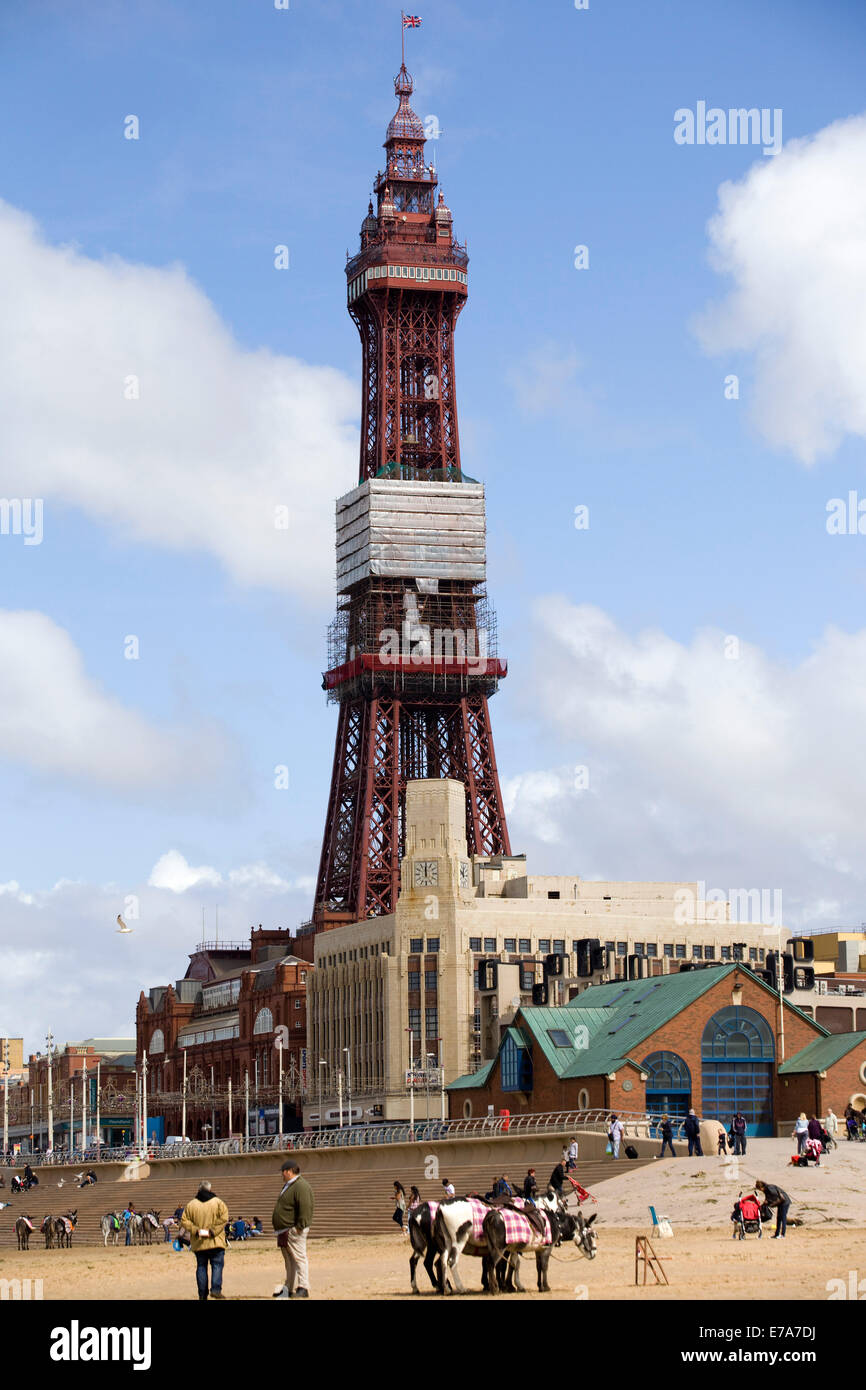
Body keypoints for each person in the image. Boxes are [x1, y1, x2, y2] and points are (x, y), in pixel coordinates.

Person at [181, 1180, 229, 1301]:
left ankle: (202, 1294)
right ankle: (216, 1289)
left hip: (199, 1242)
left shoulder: (191, 1204)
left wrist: (196, 1230)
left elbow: (184, 1221)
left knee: (201, 1266)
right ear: (210, 1189)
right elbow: (224, 1218)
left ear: (198, 1190)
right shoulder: (218, 1202)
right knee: (217, 1265)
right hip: (215, 1241)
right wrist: (212, 1231)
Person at [272, 1160, 314, 1300]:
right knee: (289, 1261)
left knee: (299, 1258)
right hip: (285, 1230)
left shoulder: (300, 1186)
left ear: (288, 1171)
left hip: (293, 1230)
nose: (282, 1175)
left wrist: (299, 1227)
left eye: (283, 1172)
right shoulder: (290, 1185)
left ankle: (303, 1287)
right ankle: (288, 1288)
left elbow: (305, 1207)